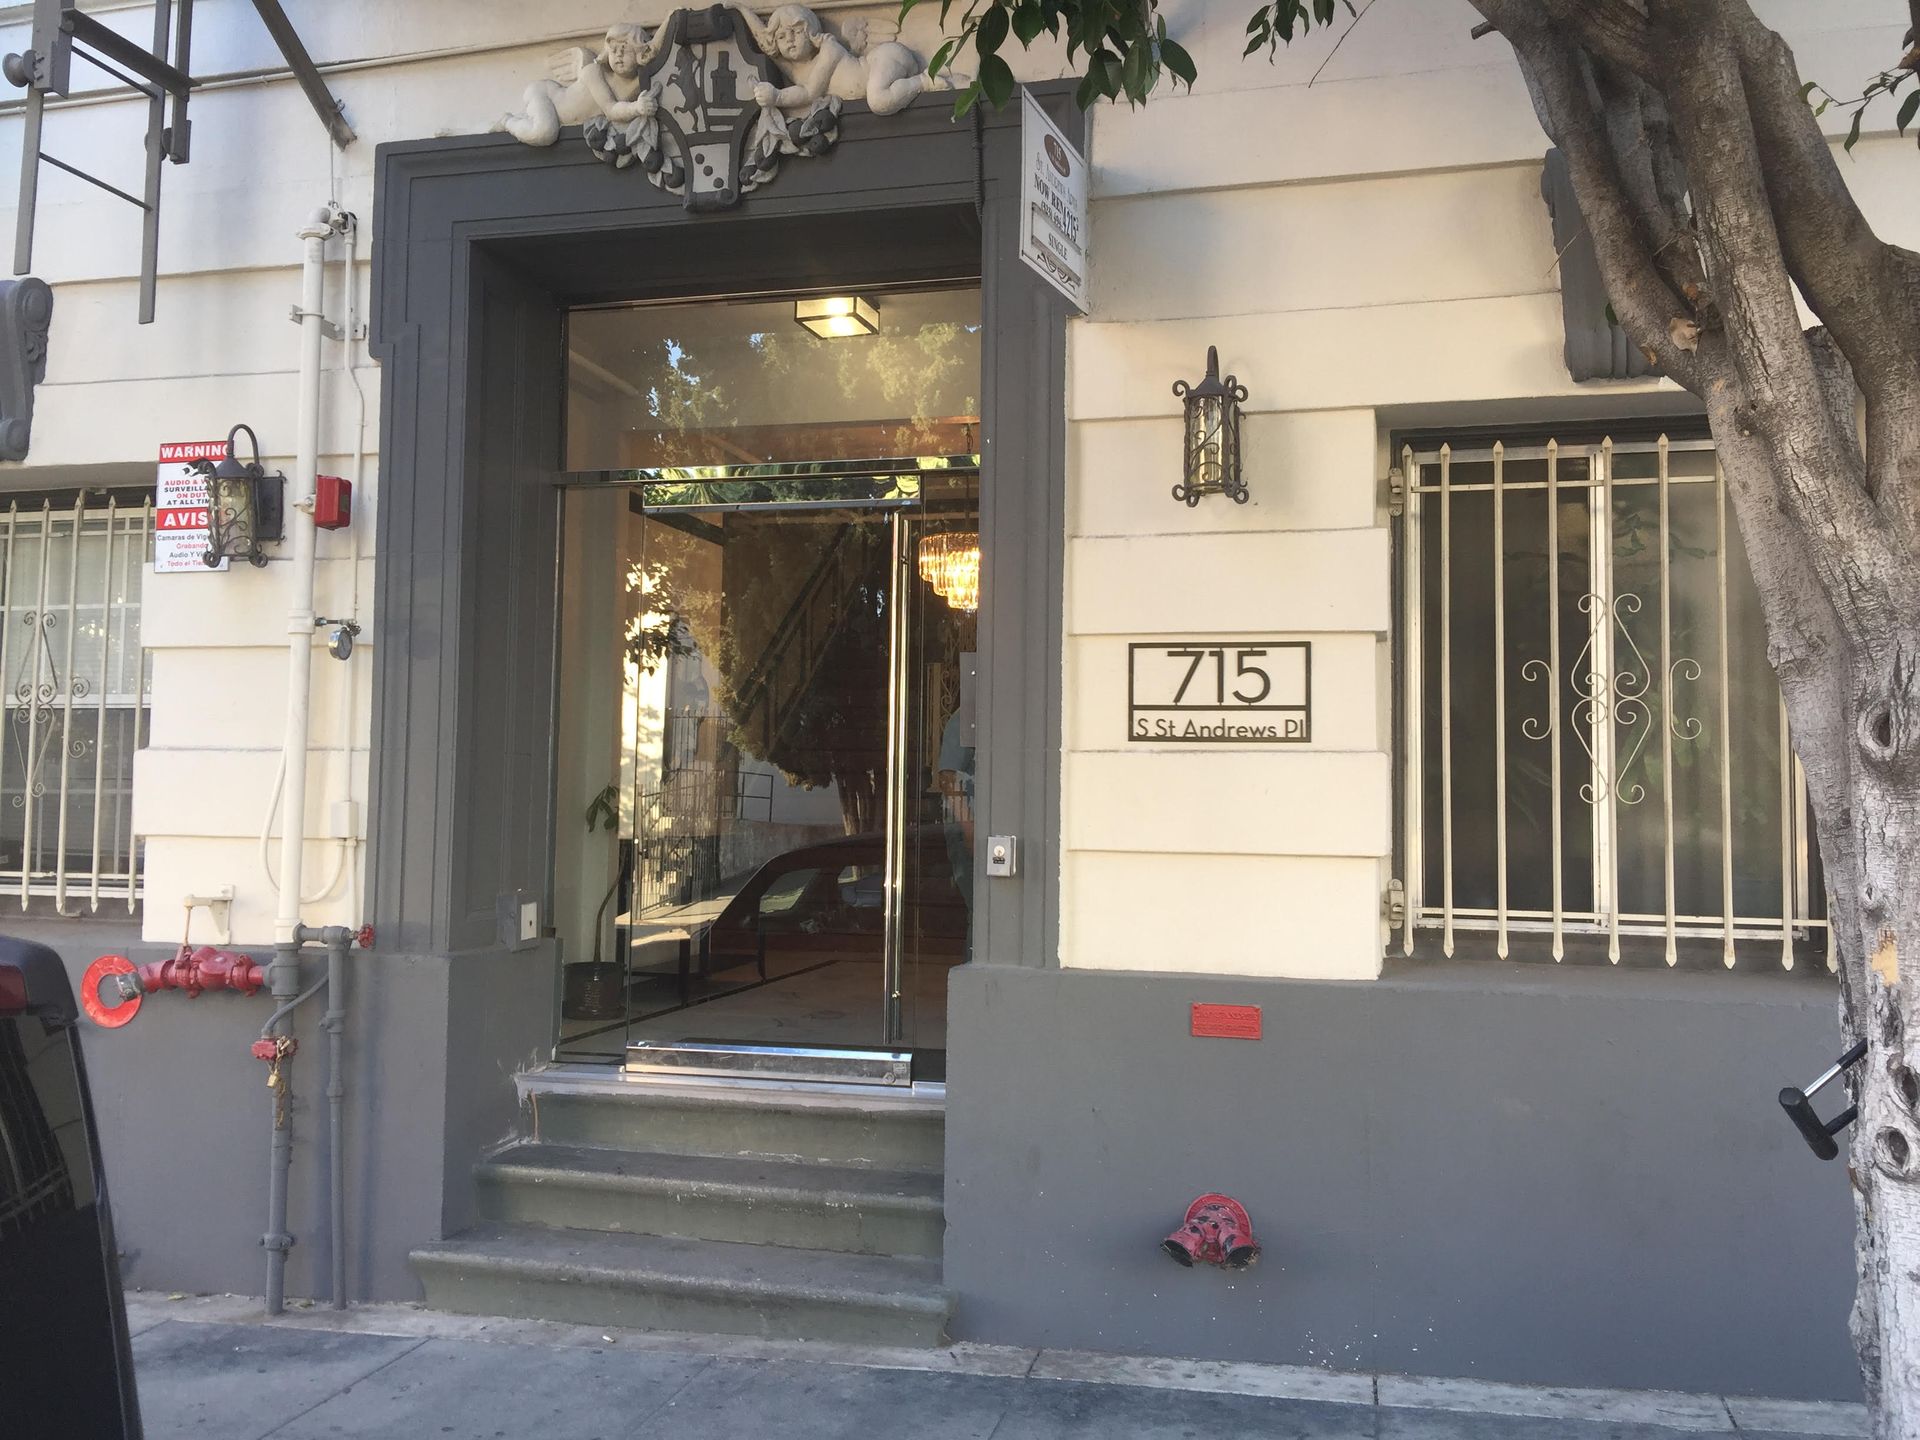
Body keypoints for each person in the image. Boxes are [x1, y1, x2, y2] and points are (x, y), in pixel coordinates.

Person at [937, 701, 975, 956]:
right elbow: (948, 778)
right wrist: (969, 828)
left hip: (991, 835)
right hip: (970, 834)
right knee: (982, 913)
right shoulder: (968, 716)